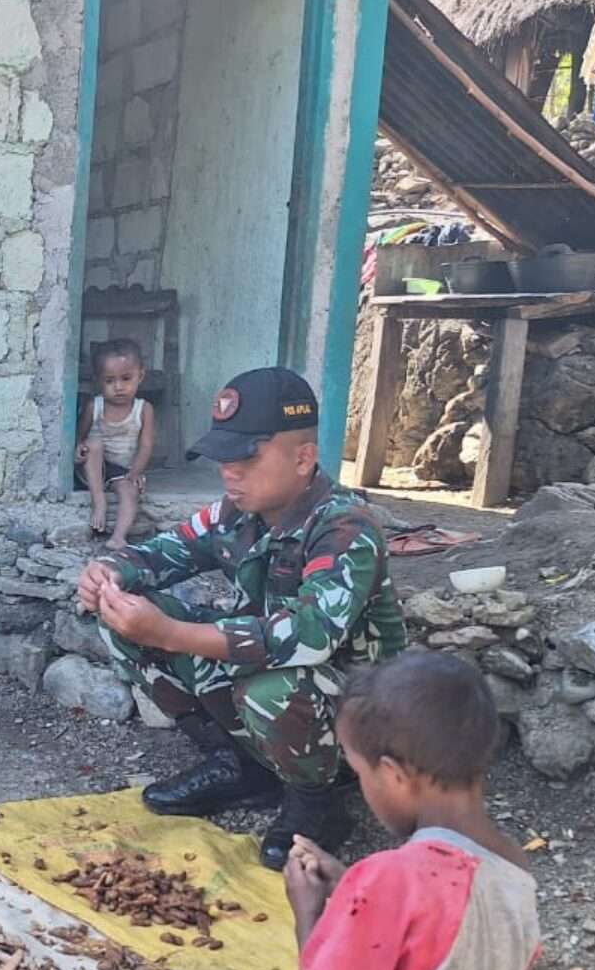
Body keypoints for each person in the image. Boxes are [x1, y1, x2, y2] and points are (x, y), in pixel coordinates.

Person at [190, 652, 541, 970]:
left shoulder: (386, 876)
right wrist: (351, 896)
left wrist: (310, 910)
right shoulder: (517, 876)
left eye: (359, 774)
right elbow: (464, 965)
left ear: (394, 775)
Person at [75, 366, 407, 868]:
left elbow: (308, 636)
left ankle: (318, 803)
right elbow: (165, 552)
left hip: (358, 713)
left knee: (270, 686)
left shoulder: (345, 527)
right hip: (277, 681)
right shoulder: (235, 513)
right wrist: (109, 572)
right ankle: (240, 765)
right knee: (119, 616)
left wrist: (172, 633)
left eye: (246, 457)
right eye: (223, 457)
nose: (229, 471)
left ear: (303, 458)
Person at [73, 338, 155, 549]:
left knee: (130, 493)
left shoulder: (143, 409)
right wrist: (79, 447)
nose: (118, 387)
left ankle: (119, 537)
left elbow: (146, 445)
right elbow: (80, 437)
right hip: (93, 468)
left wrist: (135, 472)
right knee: (94, 443)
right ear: (99, 381)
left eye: (126, 378)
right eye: (109, 381)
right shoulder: (95, 406)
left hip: (123, 470)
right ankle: (99, 502)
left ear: (141, 376)